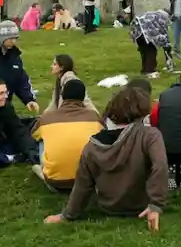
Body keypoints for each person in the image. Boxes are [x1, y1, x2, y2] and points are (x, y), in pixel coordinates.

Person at [44, 87, 168, 231]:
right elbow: (160, 166)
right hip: (141, 206)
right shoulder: (149, 135)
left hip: (109, 207)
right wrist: (155, 205)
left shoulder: (91, 146)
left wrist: (67, 215)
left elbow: (82, 185)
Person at [30, 79, 103, 191]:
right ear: (83, 98)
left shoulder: (47, 118)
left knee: (41, 139)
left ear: (62, 96)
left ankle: (43, 169)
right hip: (90, 181)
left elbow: (33, 135)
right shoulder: (95, 117)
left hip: (56, 183)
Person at [129, 10, 174, 79]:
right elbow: (164, 35)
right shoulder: (162, 17)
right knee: (151, 51)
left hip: (135, 29)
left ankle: (145, 69)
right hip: (145, 31)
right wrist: (167, 49)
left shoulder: (153, 14)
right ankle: (150, 71)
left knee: (144, 50)